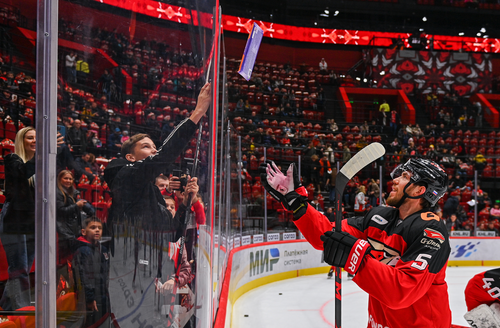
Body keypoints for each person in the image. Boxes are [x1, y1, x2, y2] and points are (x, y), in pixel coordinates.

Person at [261, 157, 451, 328]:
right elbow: (327, 235)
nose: (395, 180)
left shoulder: (431, 231)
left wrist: (355, 256)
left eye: (405, 176)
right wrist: (298, 204)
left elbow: (401, 292)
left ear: (419, 190)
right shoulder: (379, 217)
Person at [103, 82, 210, 313]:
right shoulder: (126, 176)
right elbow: (164, 156)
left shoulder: (150, 192)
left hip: (150, 277)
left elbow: (171, 231)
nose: (153, 151)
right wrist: (197, 114)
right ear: (131, 157)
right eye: (146, 147)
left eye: (153, 147)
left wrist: (184, 203)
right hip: (130, 279)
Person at [0, 127, 37, 310]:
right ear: (21, 141)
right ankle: (20, 309)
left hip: (32, 220)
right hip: (14, 217)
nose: (35, 141)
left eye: (37, 138)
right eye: (30, 138)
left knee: (22, 269)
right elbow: (23, 174)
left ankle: (7, 308)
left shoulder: (40, 167)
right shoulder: (12, 159)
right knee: (19, 268)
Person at [72, 218, 111, 327]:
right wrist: (90, 298)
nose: (97, 230)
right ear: (83, 232)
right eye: (93, 228)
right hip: (93, 297)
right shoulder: (83, 251)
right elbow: (86, 276)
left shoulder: (102, 249)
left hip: (103, 293)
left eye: (99, 228)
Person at [56, 170, 95, 265]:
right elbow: (61, 211)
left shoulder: (73, 192)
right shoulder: (58, 193)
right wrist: (77, 205)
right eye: (65, 178)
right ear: (60, 179)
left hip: (74, 230)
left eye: (70, 179)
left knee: (73, 259)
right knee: (65, 260)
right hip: (64, 232)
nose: (68, 181)